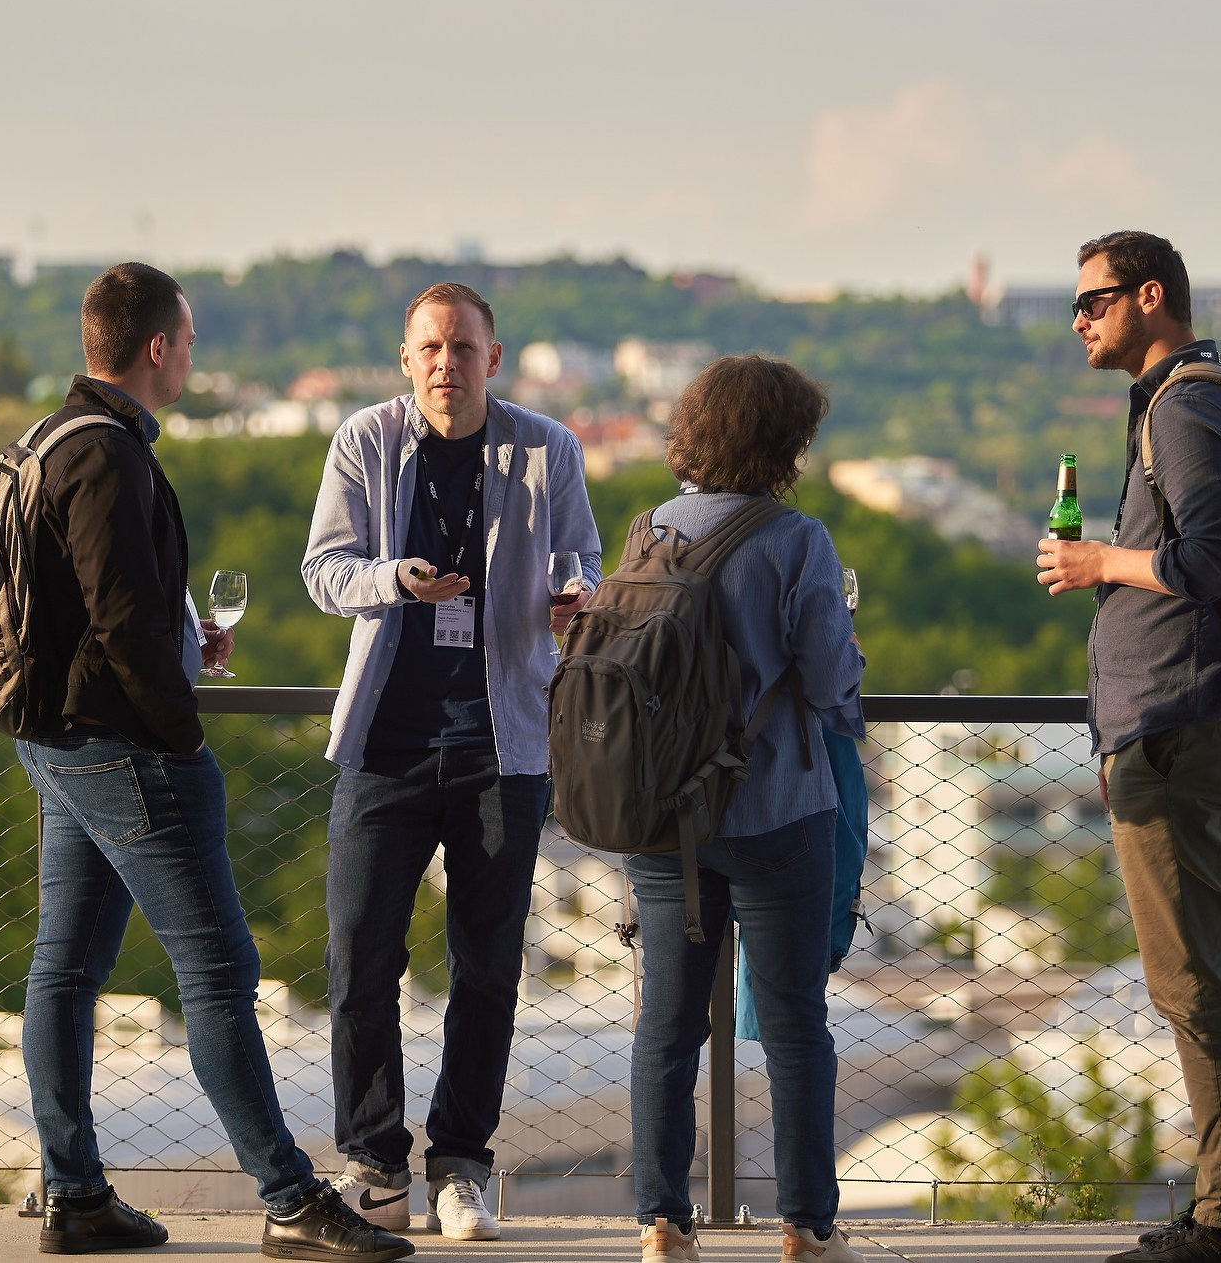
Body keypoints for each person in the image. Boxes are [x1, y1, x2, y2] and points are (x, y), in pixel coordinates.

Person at [13, 262, 411, 1261]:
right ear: (157, 346)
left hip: (53, 740)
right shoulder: (109, 457)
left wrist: (185, 644)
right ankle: (287, 1197)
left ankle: (73, 1194)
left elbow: (96, 612)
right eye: (187, 339)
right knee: (222, 970)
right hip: (124, 747)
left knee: (64, 969)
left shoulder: (47, 440)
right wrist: (179, 729)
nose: (193, 354)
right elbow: (117, 625)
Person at [301, 282, 601, 1242]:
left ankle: (461, 1167)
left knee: (486, 969)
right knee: (359, 961)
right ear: (406, 359)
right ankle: (375, 1164)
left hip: (503, 744)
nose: (446, 364)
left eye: (463, 349)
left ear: (493, 359)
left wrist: (575, 600)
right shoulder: (364, 441)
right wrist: (395, 579)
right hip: (385, 744)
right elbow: (324, 571)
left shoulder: (546, 448)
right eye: (430, 348)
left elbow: (582, 561)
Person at [1037, 231, 1221, 1263]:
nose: (1079, 320)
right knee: (1212, 978)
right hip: (1189, 722)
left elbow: (1215, 562)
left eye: (1091, 300)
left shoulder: (1181, 404)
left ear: (1149, 296)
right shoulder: (1197, 400)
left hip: (1176, 725)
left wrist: (1103, 558)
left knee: (1193, 984)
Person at [622, 355, 867, 1263]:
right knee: (796, 1020)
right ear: (784, 441)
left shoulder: (648, 531)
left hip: (661, 821)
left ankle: (661, 1221)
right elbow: (831, 682)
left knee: (668, 1026)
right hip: (775, 810)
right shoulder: (798, 540)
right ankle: (806, 1225)